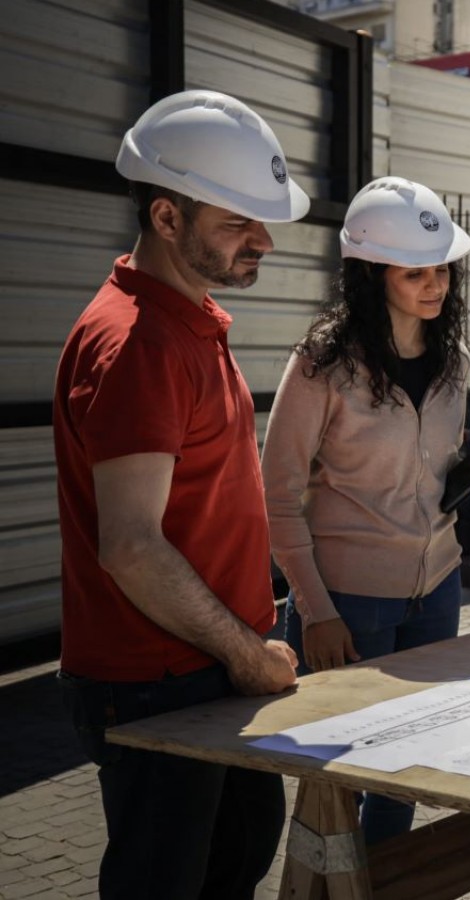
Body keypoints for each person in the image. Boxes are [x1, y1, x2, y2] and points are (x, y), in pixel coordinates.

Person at [53, 89, 306, 900]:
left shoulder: (189, 320)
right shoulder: (137, 344)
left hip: (205, 670)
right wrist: (247, 652)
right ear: (167, 218)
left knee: (233, 862)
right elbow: (130, 544)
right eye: (237, 221)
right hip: (159, 678)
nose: (263, 240)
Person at [261, 176, 470, 846]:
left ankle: (386, 883)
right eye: (415, 274)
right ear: (373, 276)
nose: (436, 286)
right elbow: (278, 494)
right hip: (348, 600)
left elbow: (431, 473)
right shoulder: (322, 364)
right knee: (339, 773)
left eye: (442, 271)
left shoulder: (453, 359)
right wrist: (316, 610)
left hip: (437, 591)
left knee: (405, 764)